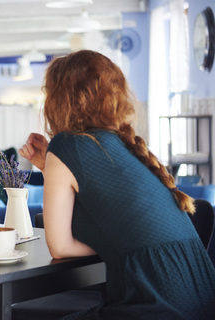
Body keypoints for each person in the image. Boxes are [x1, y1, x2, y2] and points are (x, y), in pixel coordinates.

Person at [19, 50, 215, 319]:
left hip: (158, 305)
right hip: (201, 299)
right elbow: (107, 209)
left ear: (58, 99)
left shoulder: (67, 145)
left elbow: (60, 247)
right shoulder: (127, 146)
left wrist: (117, 244)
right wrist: (48, 167)